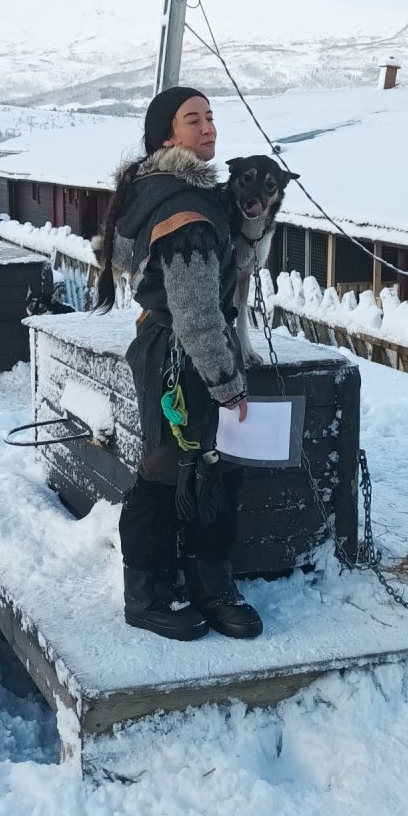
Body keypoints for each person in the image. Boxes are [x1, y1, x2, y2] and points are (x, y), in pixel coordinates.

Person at [96, 87, 263, 641]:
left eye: (211, 117)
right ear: (168, 137)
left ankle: (206, 584)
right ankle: (147, 597)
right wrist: (226, 382)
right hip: (183, 357)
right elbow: (194, 312)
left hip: (169, 349)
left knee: (212, 466)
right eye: (193, 120)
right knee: (169, 471)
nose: (209, 128)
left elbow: (127, 260)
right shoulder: (183, 211)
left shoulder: (159, 191)